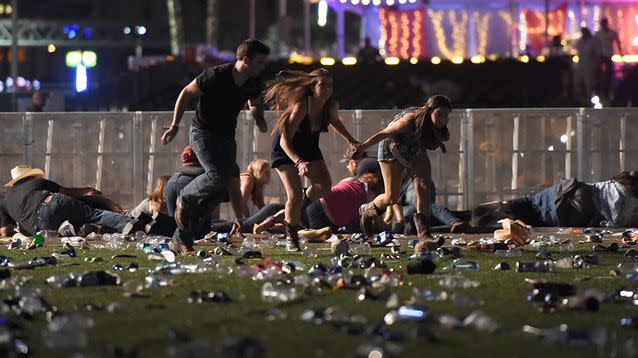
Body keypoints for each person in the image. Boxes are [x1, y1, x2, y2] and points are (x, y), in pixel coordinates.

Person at [160, 39, 270, 255]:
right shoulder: (215, 76)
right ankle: (185, 197)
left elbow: (254, 102)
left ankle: (182, 239)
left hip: (226, 137)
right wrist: (174, 126)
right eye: (259, 62)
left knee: (226, 186)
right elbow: (186, 93)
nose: (262, 67)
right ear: (245, 60)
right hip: (203, 133)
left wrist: (259, 117)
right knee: (217, 176)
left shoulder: (254, 82)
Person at [266, 68, 360, 251]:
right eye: (322, 85)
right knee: (294, 194)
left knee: (324, 186)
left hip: (309, 147)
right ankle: (291, 236)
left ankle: (302, 204)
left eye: (330, 86)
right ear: (312, 86)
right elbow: (285, 141)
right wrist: (299, 162)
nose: (326, 89)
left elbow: (335, 122)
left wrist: (351, 140)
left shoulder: (331, 104)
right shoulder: (303, 104)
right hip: (286, 149)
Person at [351, 95, 452, 247]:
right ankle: (367, 210)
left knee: (423, 186)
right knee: (392, 197)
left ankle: (424, 234)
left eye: (446, 116)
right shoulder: (409, 120)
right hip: (391, 148)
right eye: (439, 114)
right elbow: (384, 133)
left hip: (414, 150)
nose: (442, 119)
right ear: (429, 111)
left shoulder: (436, 125)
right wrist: (362, 148)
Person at [0, 165, 140, 236]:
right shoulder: (36, 182)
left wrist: (22, 228)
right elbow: (67, 192)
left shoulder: (5, 201)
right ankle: (132, 224)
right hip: (52, 201)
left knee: (63, 228)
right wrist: (87, 189)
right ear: (29, 176)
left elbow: (5, 231)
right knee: (94, 214)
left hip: (42, 226)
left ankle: (73, 229)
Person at [474, 171, 638, 228]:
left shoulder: (614, 183)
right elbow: (618, 220)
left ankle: (504, 206)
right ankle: (505, 215)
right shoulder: (630, 198)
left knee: (532, 203)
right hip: (577, 210)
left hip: (569, 188)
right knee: (537, 218)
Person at [305, 173, 383, 232]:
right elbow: (378, 222)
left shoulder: (351, 180)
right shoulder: (371, 196)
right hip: (324, 216)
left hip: (317, 205)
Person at [164, 145, 205, 217]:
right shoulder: (199, 147)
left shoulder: (189, 149)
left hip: (171, 183)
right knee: (193, 221)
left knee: (172, 220)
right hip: (189, 182)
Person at [595, 18, 623, 101]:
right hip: (601, 55)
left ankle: (607, 89)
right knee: (599, 72)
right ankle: (600, 89)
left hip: (608, 55)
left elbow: (618, 42)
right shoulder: (598, 34)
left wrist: (620, 52)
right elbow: (594, 44)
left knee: (609, 72)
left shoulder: (612, 33)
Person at [574, 27, 602, 104]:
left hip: (590, 66)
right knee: (577, 82)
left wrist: (597, 66)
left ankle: (589, 101)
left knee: (589, 84)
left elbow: (598, 55)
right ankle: (579, 100)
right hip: (580, 65)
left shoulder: (594, 41)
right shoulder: (580, 41)